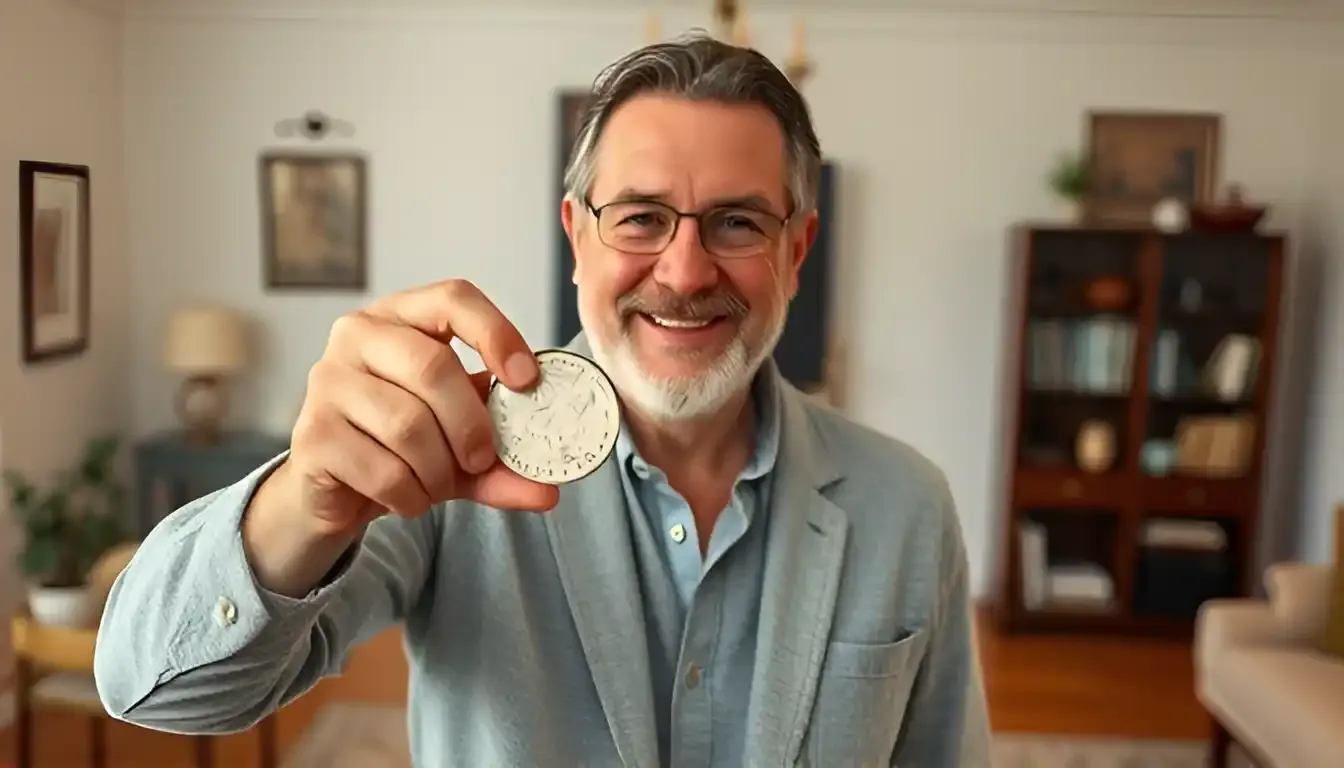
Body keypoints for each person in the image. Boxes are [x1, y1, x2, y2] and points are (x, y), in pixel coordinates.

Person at [94, 32, 990, 767]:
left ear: (797, 250)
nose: (683, 272)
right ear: (577, 239)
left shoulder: (907, 506)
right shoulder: (452, 457)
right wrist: (306, 502)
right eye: (640, 217)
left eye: (738, 222)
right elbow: (153, 686)